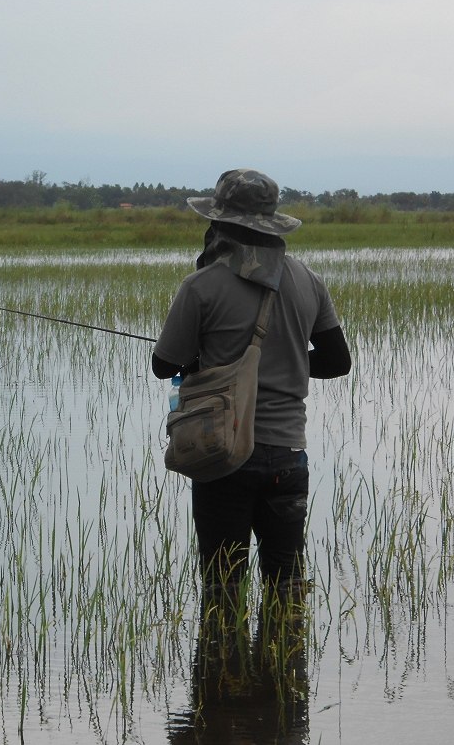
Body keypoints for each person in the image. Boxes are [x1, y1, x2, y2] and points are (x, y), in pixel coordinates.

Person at [152, 168, 351, 598]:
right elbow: (337, 362)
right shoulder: (308, 281)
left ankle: (224, 663)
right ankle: (284, 663)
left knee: (223, 590)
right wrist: (286, 361)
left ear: (219, 224)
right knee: (288, 587)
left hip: (225, 454)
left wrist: (222, 363)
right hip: (288, 457)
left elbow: (163, 363)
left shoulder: (202, 286)